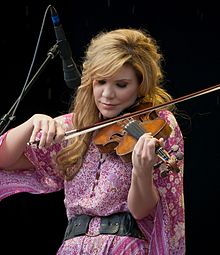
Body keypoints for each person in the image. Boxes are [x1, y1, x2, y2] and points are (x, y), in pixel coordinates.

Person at [0, 28, 185, 254]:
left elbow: (141, 211)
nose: (107, 94)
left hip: (124, 247)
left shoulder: (158, 124)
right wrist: (32, 122)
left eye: (121, 85)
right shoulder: (73, 127)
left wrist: (141, 170)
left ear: (140, 85)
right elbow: (4, 160)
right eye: (101, 82)